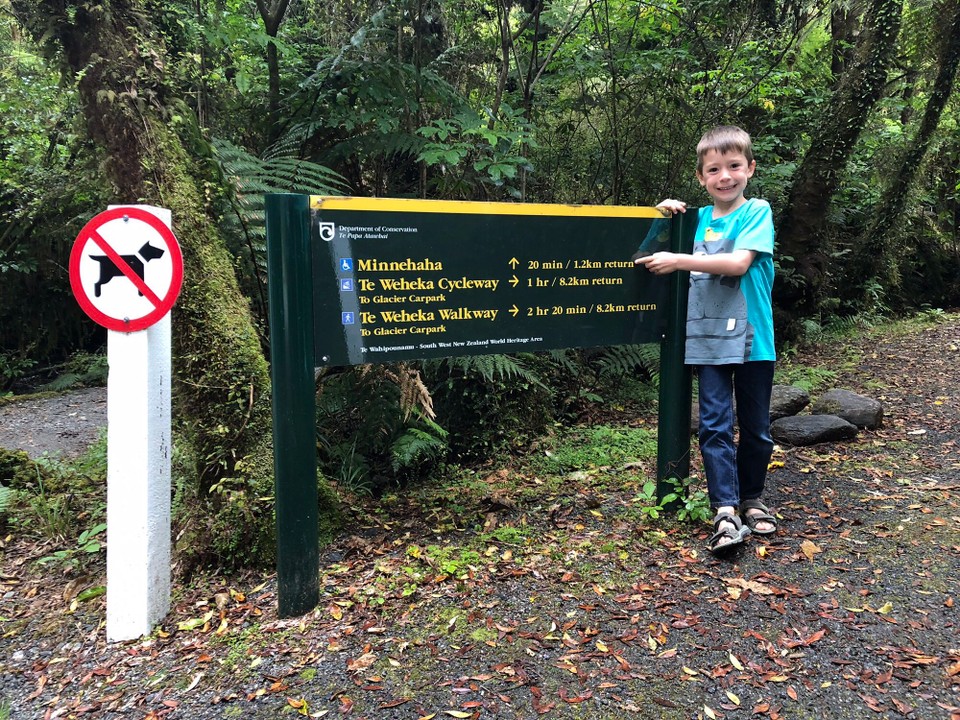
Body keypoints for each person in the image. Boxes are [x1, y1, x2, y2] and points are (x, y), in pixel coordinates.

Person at [636, 125, 778, 554]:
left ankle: (752, 497)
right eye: (713, 169)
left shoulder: (757, 211)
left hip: (755, 340)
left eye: (734, 166)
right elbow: (645, 252)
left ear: (749, 168)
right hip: (707, 338)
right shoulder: (693, 220)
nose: (725, 177)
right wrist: (659, 215)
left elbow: (736, 263)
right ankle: (725, 509)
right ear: (701, 177)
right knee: (715, 424)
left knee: (756, 429)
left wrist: (679, 259)